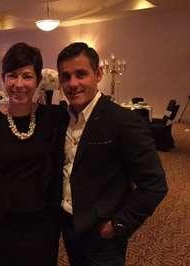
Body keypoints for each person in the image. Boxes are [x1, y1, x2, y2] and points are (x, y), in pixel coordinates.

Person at [57, 42, 168, 266]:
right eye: (66, 76)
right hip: (69, 225)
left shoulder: (124, 121)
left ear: (98, 74)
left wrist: (117, 225)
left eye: (81, 74)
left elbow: (155, 184)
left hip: (103, 235)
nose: (73, 83)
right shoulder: (62, 119)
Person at [0, 42, 69, 266]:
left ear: (37, 80)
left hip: (43, 219)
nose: (19, 84)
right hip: (3, 218)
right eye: (12, 76)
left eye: (27, 76)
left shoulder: (54, 117)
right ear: (3, 79)